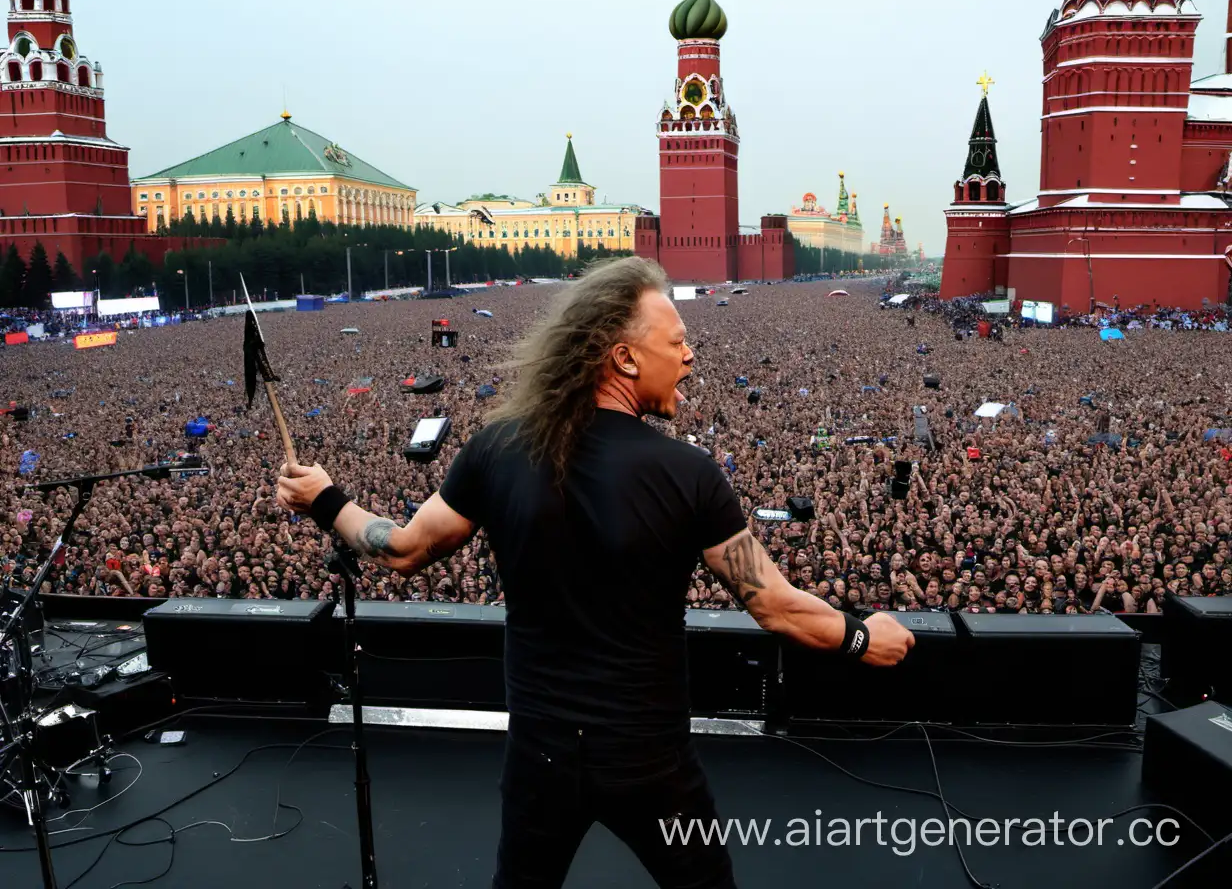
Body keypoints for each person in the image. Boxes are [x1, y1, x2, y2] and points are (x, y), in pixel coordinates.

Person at [296, 260, 924, 887]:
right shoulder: (689, 474)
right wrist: (865, 637)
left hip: (540, 754)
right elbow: (775, 606)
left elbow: (403, 549)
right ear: (624, 359)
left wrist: (327, 499)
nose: (690, 356)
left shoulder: (497, 449)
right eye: (676, 343)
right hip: (649, 758)